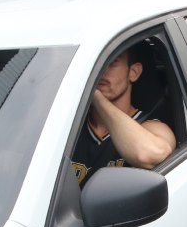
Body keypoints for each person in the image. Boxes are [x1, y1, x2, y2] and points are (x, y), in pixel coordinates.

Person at [70, 43, 176, 184]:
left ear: (134, 72)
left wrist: (95, 96)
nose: (101, 71)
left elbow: (148, 154)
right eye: (95, 65)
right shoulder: (68, 126)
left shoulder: (151, 127)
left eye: (112, 62)